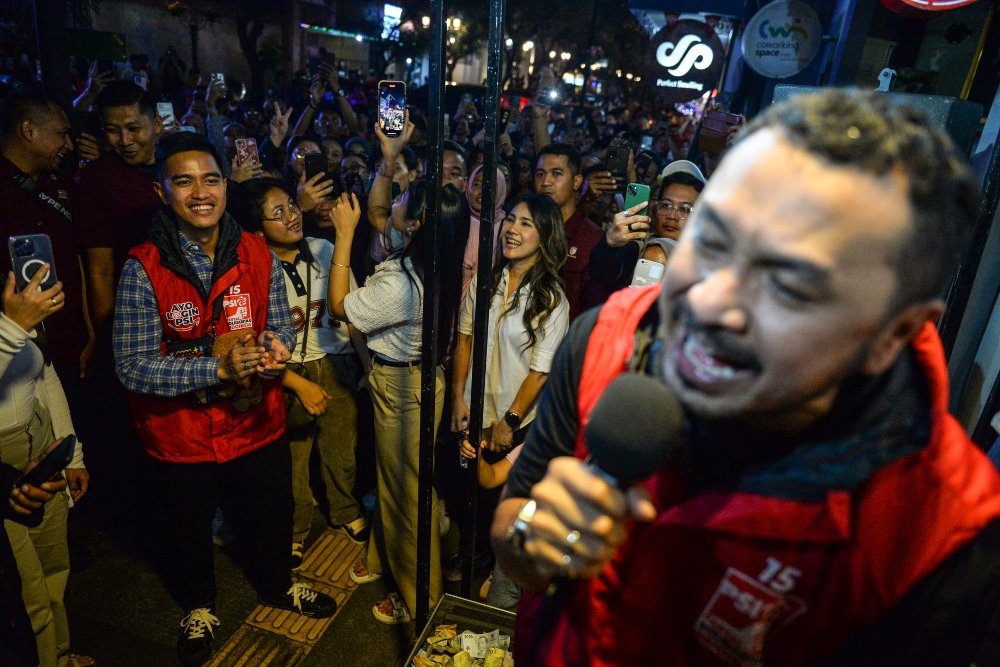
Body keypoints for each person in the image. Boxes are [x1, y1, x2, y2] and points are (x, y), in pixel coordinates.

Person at [490, 89, 1000, 666]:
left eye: (789, 287)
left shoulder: (938, 538)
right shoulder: (606, 338)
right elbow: (515, 532)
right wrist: (537, 540)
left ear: (891, 335)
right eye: (713, 239)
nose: (710, 303)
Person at [113, 133, 337, 666]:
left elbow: (278, 322)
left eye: (211, 179)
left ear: (223, 185)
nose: (201, 192)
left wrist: (276, 348)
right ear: (161, 191)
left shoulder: (257, 249)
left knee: (270, 512)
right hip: (180, 436)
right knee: (187, 527)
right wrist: (213, 367)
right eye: (183, 181)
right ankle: (197, 606)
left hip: (257, 421)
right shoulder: (142, 267)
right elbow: (130, 365)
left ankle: (280, 584)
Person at [327, 117, 471, 626]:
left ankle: (420, 601)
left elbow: (341, 306)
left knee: (409, 496)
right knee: (402, 483)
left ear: (417, 224)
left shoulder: (404, 284)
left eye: (409, 196)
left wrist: (343, 238)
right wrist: (389, 158)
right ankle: (400, 562)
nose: (399, 195)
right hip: (410, 380)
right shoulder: (429, 260)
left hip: (403, 386)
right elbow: (378, 208)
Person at [228, 177, 370, 569]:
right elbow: (250, 336)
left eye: (292, 205)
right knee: (292, 460)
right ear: (257, 231)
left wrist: (366, 368)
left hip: (336, 360)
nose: (292, 215)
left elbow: (353, 316)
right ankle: (295, 529)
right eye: (279, 213)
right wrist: (292, 378)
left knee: (342, 448)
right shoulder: (253, 269)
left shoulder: (326, 249)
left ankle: (344, 510)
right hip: (285, 369)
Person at [2, 265, 90, 667]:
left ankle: (57, 654)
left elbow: (46, 376)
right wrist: (12, 328)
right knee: (25, 592)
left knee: (54, 567)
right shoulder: (13, 319)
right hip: (3, 459)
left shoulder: (13, 300)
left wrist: (72, 456)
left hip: (40, 438)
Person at [0, 92, 90, 378]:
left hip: (72, 346)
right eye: (62, 134)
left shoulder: (61, 185)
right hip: (17, 354)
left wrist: (91, 335)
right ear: (29, 130)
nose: (69, 145)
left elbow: (79, 261)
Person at [588, 160, 706, 299]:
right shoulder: (641, 245)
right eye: (666, 205)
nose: (672, 216)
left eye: (685, 209)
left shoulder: (658, 253)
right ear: (655, 207)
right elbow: (602, 274)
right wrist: (609, 245)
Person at [533, 143, 602, 320]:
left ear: (576, 182)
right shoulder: (524, 228)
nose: (546, 182)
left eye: (556, 173)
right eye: (540, 174)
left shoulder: (591, 238)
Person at [461, 164, 508, 302]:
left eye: (491, 187)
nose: (482, 191)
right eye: (476, 184)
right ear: (467, 186)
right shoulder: (457, 221)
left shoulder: (507, 227)